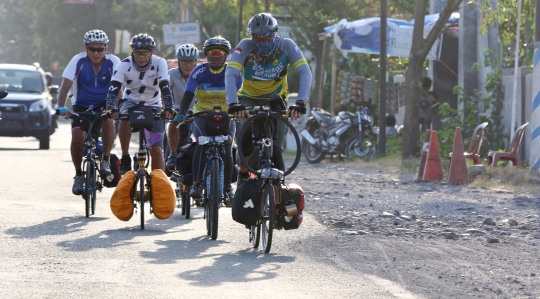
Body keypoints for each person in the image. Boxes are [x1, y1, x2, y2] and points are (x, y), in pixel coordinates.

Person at [225, 13, 312, 186]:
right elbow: (231, 73)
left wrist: (301, 102)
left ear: (274, 33)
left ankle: (278, 199)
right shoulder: (245, 46)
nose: (262, 42)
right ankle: (243, 177)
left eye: (266, 36)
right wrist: (233, 104)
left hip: (276, 100)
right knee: (246, 144)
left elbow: (305, 71)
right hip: (249, 99)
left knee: (277, 152)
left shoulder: (286, 45)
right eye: (257, 38)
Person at [176, 36, 242, 199]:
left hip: (227, 115)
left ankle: (227, 188)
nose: (215, 56)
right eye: (212, 52)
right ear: (206, 55)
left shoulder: (233, 72)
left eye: (219, 52)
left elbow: (242, 94)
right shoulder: (199, 71)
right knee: (200, 143)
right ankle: (197, 184)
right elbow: (189, 93)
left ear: (226, 55)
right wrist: (182, 112)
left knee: (227, 146)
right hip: (202, 115)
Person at [56, 29, 120, 196]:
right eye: (92, 49)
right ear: (86, 48)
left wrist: (116, 108)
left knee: (108, 121)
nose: (96, 53)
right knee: (77, 138)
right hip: (81, 106)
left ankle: (105, 159)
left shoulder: (114, 61)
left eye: (100, 49)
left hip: (105, 104)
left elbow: (119, 88)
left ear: (106, 49)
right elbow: (65, 87)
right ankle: (78, 174)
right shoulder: (78, 61)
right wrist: (61, 107)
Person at [107, 33, 175, 173]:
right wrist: (110, 108)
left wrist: (169, 107)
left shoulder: (160, 62)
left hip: (153, 104)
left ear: (152, 52)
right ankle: (125, 156)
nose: (141, 56)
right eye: (137, 53)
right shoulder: (124, 64)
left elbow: (165, 86)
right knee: (124, 116)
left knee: (156, 150)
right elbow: (113, 88)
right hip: (130, 102)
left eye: (145, 53)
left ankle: (158, 184)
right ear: (133, 52)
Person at [165, 44, 200, 171]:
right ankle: (173, 154)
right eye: (184, 61)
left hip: (198, 112)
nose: (188, 65)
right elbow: (165, 93)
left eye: (191, 61)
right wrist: (168, 109)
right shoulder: (171, 74)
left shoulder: (201, 74)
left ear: (196, 61)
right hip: (178, 111)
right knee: (173, 123)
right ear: (178, 61)